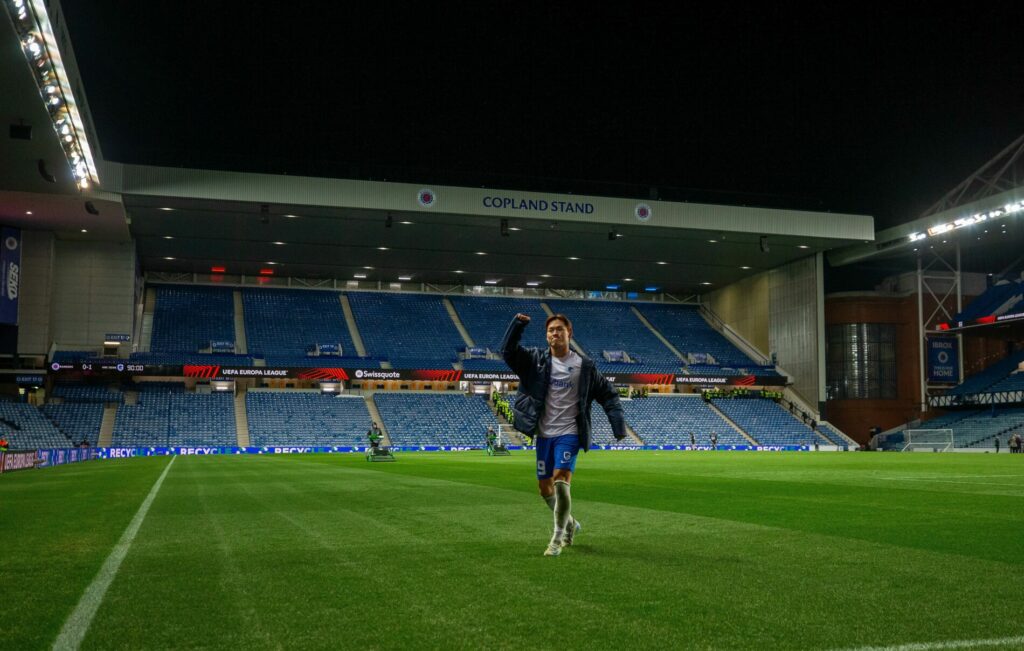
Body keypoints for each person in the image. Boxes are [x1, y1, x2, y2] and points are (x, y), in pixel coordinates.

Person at [501, 312, 625, 557]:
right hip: (544, 433)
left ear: (569, 334)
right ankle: (570, 523)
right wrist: (517, 326)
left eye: (559, 329)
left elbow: (608, 394)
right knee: (544, 488)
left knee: (560, 480)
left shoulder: (584, 366)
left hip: (570, 432)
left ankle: (557, 539)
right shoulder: (535, 360)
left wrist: (618, 426)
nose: (554, 333)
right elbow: (507, 352)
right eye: (550, 330)